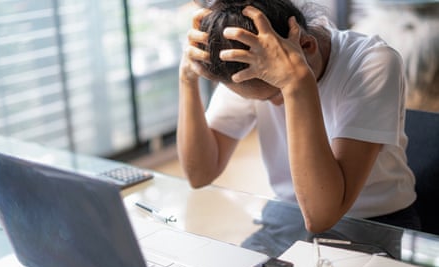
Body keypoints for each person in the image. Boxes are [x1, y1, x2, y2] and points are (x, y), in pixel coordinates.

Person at [177, 0, 419, 233]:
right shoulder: (249, 62)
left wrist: (296, 83)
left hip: (378, 221)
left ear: (307, 45)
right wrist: (187, 80)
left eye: (276, 94)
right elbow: (200, 174)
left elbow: (321, 216)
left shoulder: (372, 62)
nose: (274, 105)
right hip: (288, 211)